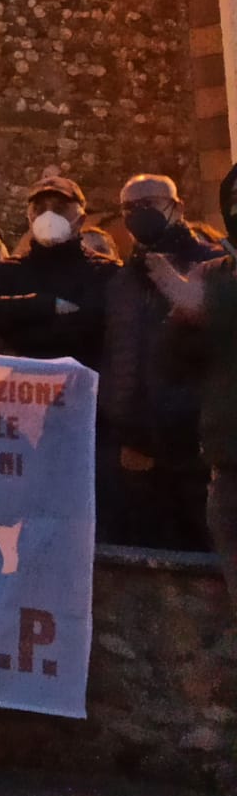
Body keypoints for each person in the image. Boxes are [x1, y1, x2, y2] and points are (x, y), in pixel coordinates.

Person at [98, 174, 217, 551]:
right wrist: (122, 428)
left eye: (148, 203)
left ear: (177, 207)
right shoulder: (121, 282)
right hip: (139, 454)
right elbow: (117, 355)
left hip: (199, 452)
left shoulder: (212, 269)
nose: (138, 214)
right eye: (129, 208)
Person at [147, 170, 237, 610]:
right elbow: (171, 361)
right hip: (228, 467)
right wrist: (183, 318)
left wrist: (209, 307)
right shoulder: (213, 275)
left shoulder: (215, 288)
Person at [0, 176, 107, 364]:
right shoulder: (9, 270)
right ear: (29, 218)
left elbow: (95, 325)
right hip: (20, 385)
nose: (48, 216)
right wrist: (45, 305)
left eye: (59, 209)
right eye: (39, 209)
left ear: (80, 220)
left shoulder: (102, 271)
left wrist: (21, 323)